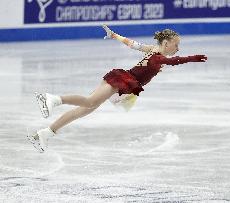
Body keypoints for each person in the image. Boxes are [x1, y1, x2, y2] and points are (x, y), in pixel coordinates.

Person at [27, 25, 207, 153]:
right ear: (166, 43)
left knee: (84, 110)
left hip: (124, 81)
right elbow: (174, 61)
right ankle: (52, 99)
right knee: (90, 102)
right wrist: (193, 58)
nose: (177, 49)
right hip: (122, 80)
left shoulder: (153, 49)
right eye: (176, 45)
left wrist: (115, 36)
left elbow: (133, 44)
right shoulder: (158, 57)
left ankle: (45, 133)